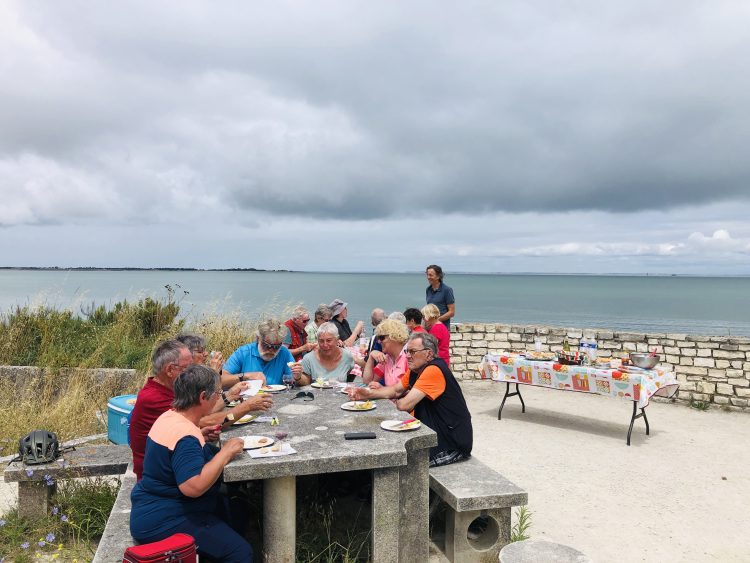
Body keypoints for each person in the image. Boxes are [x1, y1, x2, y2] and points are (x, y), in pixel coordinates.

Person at [130, 365, 253, 562]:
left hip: (151, 507)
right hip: (165, 519)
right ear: (203, 397)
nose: (218, 398)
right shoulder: (185, 436)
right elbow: (193, 487)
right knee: (240, 552)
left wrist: (201, 439)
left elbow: (173, 455)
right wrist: (225, 452)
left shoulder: (170, 416)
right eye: (217, 394)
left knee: (236, 509)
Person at [129, 340, 273, 480]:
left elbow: (204, 413)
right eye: (188, 368)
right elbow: (209, 421)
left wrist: (229, 396)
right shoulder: (155, 398)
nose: (193, 372)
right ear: (170, 370)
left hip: (172, 461)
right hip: (163, 475)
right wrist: (246, 406)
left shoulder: (169, 389)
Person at [349, 332, 472, 467]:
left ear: (429, 354)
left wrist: (398, 398)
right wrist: (367, 394)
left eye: (412, 352)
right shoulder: (416, 370)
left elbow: (404, 405)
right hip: (435, 433)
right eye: (407, 351)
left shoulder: (434, 370)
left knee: (402, 464)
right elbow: (395, 390)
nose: (407, 356)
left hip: (452, 442)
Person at [222, 318, 303, 386]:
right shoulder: (243, 353)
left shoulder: (284, 353)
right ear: (258, 339)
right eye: (267, 345)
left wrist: (297, 377)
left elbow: (295, 381)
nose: (271, 350)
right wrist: (245, 376)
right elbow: (221, 380)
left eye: (276, 347)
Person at [297, 322, 364, 385]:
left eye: (329, 340)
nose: (325, 345)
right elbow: (306, 381)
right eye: (321, 341)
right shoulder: (309, 359)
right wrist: (298, 377)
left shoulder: (347, 356)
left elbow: (348, 372)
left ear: (337, 339)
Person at [362, 319, 409, 387]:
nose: (378, 341)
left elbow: (412, 390)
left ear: (393, 336)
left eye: (381, 338)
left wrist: (383, 389)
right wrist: (371, 356)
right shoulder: (387, 358)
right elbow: (368, 382)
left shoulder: (408, 357)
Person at [425, 264, 455, 329]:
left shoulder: (447, 290)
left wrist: (436, 321)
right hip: (430, 328)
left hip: (442, 328)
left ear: (438, 276)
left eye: (431, 275)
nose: (428, 277)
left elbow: (451, 312)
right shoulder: (428, 290)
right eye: (427, 274)